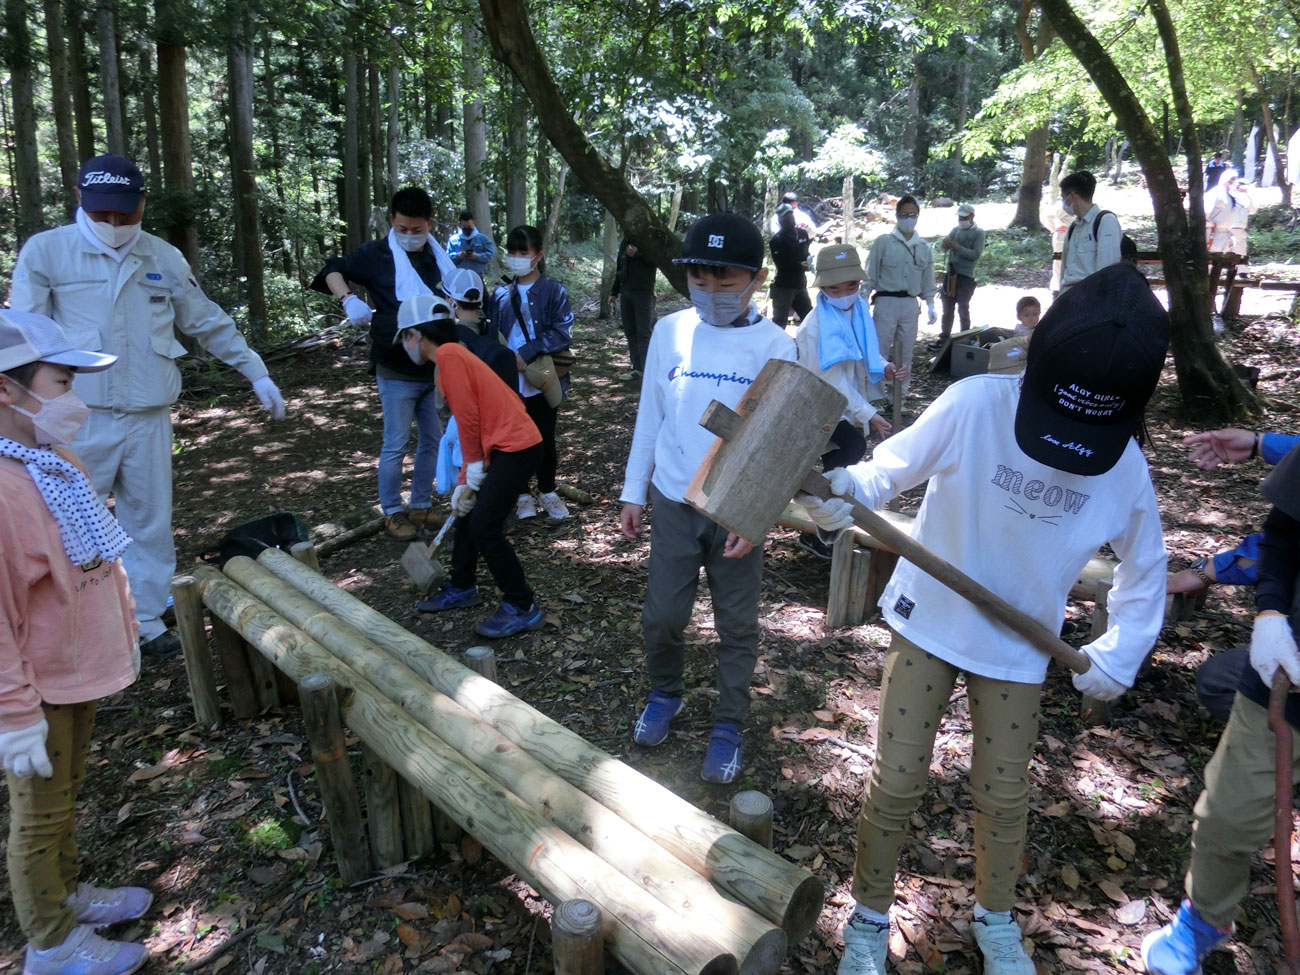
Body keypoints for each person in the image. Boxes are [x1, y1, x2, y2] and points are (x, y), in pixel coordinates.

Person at [803, 262, 1169, 975]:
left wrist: (1121, 649)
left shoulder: (1124, 467)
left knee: (1004, 791)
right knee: (898, 775)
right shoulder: (976, 404)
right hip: (929, 621)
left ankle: (994, 916)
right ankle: (869, 916)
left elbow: (1145, 566)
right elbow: (888, 471)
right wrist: (846, 490)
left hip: (1019, 644)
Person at [9, 154, 286, 660]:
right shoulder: (48, 252)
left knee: (149, 521)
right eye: (102, 215)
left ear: (142, 203)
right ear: (80, 200)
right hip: (75, 415)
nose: (114, 225)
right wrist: (27, 411)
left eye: (124, 214)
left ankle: (148, 620)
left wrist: (255, 370)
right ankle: (77, 625)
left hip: (149, 411)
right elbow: (25, 336)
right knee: (68, 520)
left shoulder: (163, 257)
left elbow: (204, 319)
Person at [0, 311, 153, 975]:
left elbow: (91, 555)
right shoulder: (4, 492)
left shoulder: (49, 460)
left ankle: (66, 894)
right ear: (8, 390)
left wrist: (126, 621)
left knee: (68, 796)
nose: (75, 401)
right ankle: (52, 943)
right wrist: (13, 716)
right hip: (39, 690)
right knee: (38, 814)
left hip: (80, 669)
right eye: (61, 382)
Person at [619, 213, 796, 784]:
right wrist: (633, 491)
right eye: (700, 282)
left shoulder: (777, 346)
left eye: (727, 282)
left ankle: (728, 726)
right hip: (672, 497)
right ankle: (665, 693)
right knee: (663, 616)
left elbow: (782, 444)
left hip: (734, 509)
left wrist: (760, 515)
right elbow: (652, 413)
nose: (713, 294)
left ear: (757, 279)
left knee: (737, 624)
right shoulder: (670, 332)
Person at [1140, 441, 1300, 975]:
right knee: (1226, 821)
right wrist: (1271, 613)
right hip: (1287, 678)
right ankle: (1205, 919)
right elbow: (1284, 532)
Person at [311, 186, 454, 542]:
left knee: (432, 440)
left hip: (434, 366)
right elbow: (332, 269)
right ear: (392, 221)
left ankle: (420, 505)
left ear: (429, 225)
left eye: (416, 229)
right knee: (396, 443)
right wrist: (347, 300)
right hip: (395, 367)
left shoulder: (440, 259)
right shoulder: (376, 255)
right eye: (402, 228)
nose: (408, 235)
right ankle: (392, 511)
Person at [400, 296, 545, 639]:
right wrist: (466, 480)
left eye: (404, 337)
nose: (405, 345)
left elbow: (468, 419)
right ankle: (462, 585)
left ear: (418, 334)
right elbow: (472, 422)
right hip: (505, 446)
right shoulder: (451, 357)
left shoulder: (449, 355)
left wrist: (474, 470)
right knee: (468, 516)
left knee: (484, 526)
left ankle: (522, 605)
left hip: (517, 447)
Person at [793, 245, 903, 559]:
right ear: (821, 287)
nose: (843, 293)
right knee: (851, 447)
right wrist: (870, 413)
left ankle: (831, 527)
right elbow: (832, 380)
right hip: (813, 404)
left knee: (848, 455)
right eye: (833, 288)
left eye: (851, 285)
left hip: (840, 404)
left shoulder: (854, 312)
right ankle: (824, 530)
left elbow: (861, 350)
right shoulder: (815, 327)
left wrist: (885, 367)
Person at [490, 225, 575, 522]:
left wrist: (526, 353)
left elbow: (562, 332)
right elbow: (491, 335)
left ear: (537, 256)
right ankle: (522, 495)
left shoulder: (553, 291)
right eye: (511, 252)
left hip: (541, 378)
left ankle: (548, 491)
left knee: (544, 438)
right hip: (507, 381)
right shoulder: (500, 294)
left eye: (522, 252)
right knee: (513, 440)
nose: (516, 258)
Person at [863, 195, 936, 410]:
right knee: (879, 349)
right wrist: (862, 300)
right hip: (885, 301)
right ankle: (875, 396)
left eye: (913, 215)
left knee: (905, 353)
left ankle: (898, 398)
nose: (909, 218)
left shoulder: (922, 247)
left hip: (909, 304)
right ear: (897, 216)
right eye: (905, 215)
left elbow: (928, 278)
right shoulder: (883, 243)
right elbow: (870, 274)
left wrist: (930, 303)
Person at [1058, 171, 1123, 293]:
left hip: (1090, 297)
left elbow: (1107, 271)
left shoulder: (1105, 221)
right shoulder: (1073, 228)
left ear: (1072, 196)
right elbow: (1064, 270)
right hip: (1068, 297)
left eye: (1063, 198)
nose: (1063, 204)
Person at [1204, 169, 1256, 305]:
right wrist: (1211, 225)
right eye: (1232, 179)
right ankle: (1204, 295)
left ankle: (1211, 297)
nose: (1234, 182)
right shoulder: (1215, 193)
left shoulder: (1232, 196)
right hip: (1212, 233)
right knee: (1208, 263)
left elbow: (1250, 209)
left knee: (1219, 263)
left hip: (1224, 233)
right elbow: (1205, 212)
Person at [937, 203, 986, 344]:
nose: (961, 219)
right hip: (950, 274)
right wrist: (945, 244)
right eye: (959, 216)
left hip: (966, 276)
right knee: (947, 308)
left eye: (964, 217)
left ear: (972, 216)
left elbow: (975, 254)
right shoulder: (955, 230)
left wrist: (958, 248)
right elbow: (942, 249)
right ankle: (944, 337)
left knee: (963, 308)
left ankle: (964, 337)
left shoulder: (979, 233)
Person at [610, 235, 658, 380]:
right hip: (626, 291)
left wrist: (637, 255)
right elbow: (620, 267)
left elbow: (656, 261)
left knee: (644, 332)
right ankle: (637, 368)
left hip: (643, 293)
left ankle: (648, 370)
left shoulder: (649, 240)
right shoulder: (626, 241)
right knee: (630, 331)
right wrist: (614, 292)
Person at [768, 204, 813, 328]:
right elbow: (781, 264)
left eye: (789, 215)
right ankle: (778, 347)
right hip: (783, 288)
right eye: (784, 217)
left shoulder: (803, 234)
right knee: (779, 323)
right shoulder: (777, 240)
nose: (788, 219)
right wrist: (799, 265)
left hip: (800, 285)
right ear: (779, 220)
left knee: (810, 319)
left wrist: (809, 262)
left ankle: (809, 345)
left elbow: (806, 253)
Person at [446, 210, 496, 279]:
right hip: (459, 276)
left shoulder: (484, 239)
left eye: (469, 227)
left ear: (473, 223)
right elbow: (447, 258)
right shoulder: (453, 240)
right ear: (460, 224)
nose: (467, 229)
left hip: (477, 276)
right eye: (465, 227)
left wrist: (476, 256)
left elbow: (490, 255)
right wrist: (459, 255)